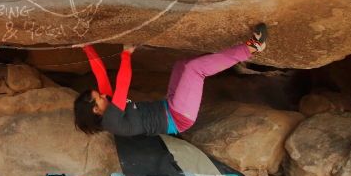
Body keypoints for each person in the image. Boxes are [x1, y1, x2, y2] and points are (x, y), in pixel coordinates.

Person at [74, 24, 268, 136]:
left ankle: (222, 57)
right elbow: (123, 85)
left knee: (182, 66)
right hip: (178, 117)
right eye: (99, 98)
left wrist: (86, 47)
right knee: (195, 70)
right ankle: (252, 47)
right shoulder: (111, 120)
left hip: (169, 105)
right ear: (95, 109)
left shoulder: (107, 108)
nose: (103, 95)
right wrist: (126, 55)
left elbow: (101, 75)